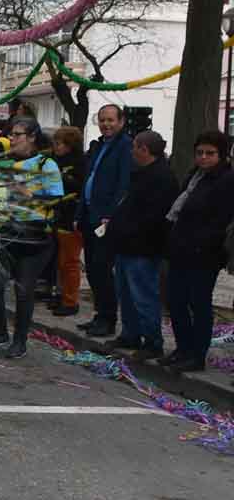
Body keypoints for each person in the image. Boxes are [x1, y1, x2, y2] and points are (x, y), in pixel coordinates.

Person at [0, 117, 63, 359]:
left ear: (32, 137)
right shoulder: (7, 164)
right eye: (11, 134)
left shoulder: (46, 165)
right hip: (7, 233)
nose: (12, 139)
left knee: (23, 290)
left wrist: (26, 194)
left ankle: (20, 341)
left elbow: (57, 202)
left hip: (34, 237)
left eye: (17, 134)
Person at [160, 131, 234, 373]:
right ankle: (183, 348)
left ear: (221, 155)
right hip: (181, 249)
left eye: (210, 153)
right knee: (176, 300)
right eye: (200, 153)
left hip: (204, 254)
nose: (204, 158)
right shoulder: (195, 175)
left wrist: (201, 244)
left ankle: (196, 355)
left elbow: (219, 220)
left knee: (198, 303)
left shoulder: (226, 180)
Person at [104, 130, 177, 360]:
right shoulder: (142, 173)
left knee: (143, 295)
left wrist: (126, 229)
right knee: (125, 294)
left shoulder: (162, 177)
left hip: (143, 248)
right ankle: (130, 333)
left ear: (144, 149)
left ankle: (152, 341)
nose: (131, 151)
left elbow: (154, 217)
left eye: (134, 147)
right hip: (127, 245)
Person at [76, 104, 131, 337]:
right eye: (102, 120)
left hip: (106, 219)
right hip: (89, 215)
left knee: (102, 269)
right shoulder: (99, 146)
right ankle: (99, 314)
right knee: (92, 270)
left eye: (110, 120)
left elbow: (123, 185)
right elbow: (89, 180)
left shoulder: (125, 146)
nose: (106, 124)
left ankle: (108, 319)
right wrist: (79, 214)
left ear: (121, 121)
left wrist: (111, 216)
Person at [49, 126, 85, 316]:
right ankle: (60, 294)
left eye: (59, 143)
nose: (56, 147)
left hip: (72, 217)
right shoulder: (55, 160)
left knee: (70, 262)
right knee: (59, 262)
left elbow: (81, 187)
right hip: (59, 216)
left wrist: (63, 178)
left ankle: (70, 301)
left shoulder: (80, 162)